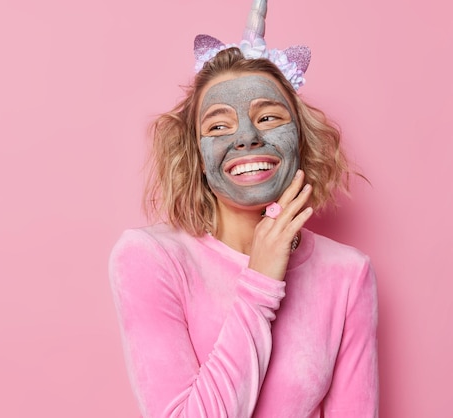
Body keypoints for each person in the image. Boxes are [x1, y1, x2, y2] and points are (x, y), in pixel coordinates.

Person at [109, 1, 378, 416]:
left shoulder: (348, 272)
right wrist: (261, 282)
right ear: (195, 153)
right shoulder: (149, 258)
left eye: (268, 117)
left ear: (301, 140)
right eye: (218, 125)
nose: (247, 138)